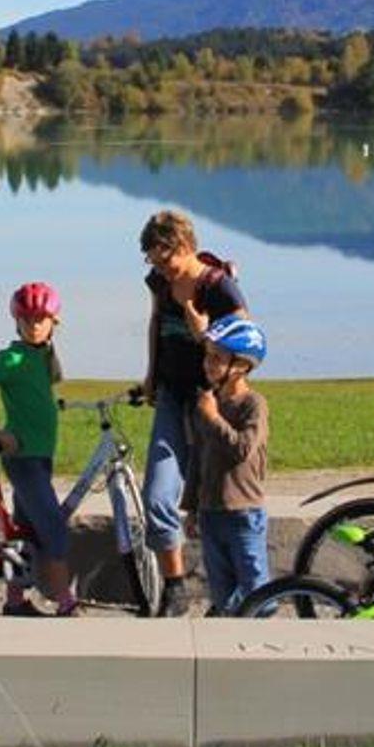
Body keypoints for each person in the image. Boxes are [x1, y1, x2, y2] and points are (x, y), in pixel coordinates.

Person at [138, 208, 247, 617]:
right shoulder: (159, 282)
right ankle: (176, 588)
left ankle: (228, 597)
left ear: (184, 246)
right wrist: (151, 373)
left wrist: (204, 333)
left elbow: (248, 348)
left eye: (164, 258)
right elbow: (155, 323)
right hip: (171, 394)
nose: (159, 267)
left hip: (211, 401)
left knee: (214, 502)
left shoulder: (220, 287)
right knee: (157, 496)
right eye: (152, 260)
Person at [0, 281, 77, 617]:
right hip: (23, 457)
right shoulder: (9, 358)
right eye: (26, 319)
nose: (34, 325)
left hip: (40, 457)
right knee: (54, 528)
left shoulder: (43, 355)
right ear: (17, 321)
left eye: (41, 319)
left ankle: (15, 601)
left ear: (54, 322)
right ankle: (65, 601)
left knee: (25, 531)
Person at [185, 314, 271, 616]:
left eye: (217, 358)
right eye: (207, 356)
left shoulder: (253, 404)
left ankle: (261, 631)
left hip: (243, 511)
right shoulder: (207, 402)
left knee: (255, 587)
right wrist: (191, 507)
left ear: (242, 365)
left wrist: (213, 418)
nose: (208, 364)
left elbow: (242, 449)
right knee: (221, 591)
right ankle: (231, 632)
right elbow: (197, 457)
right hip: (210, 511)